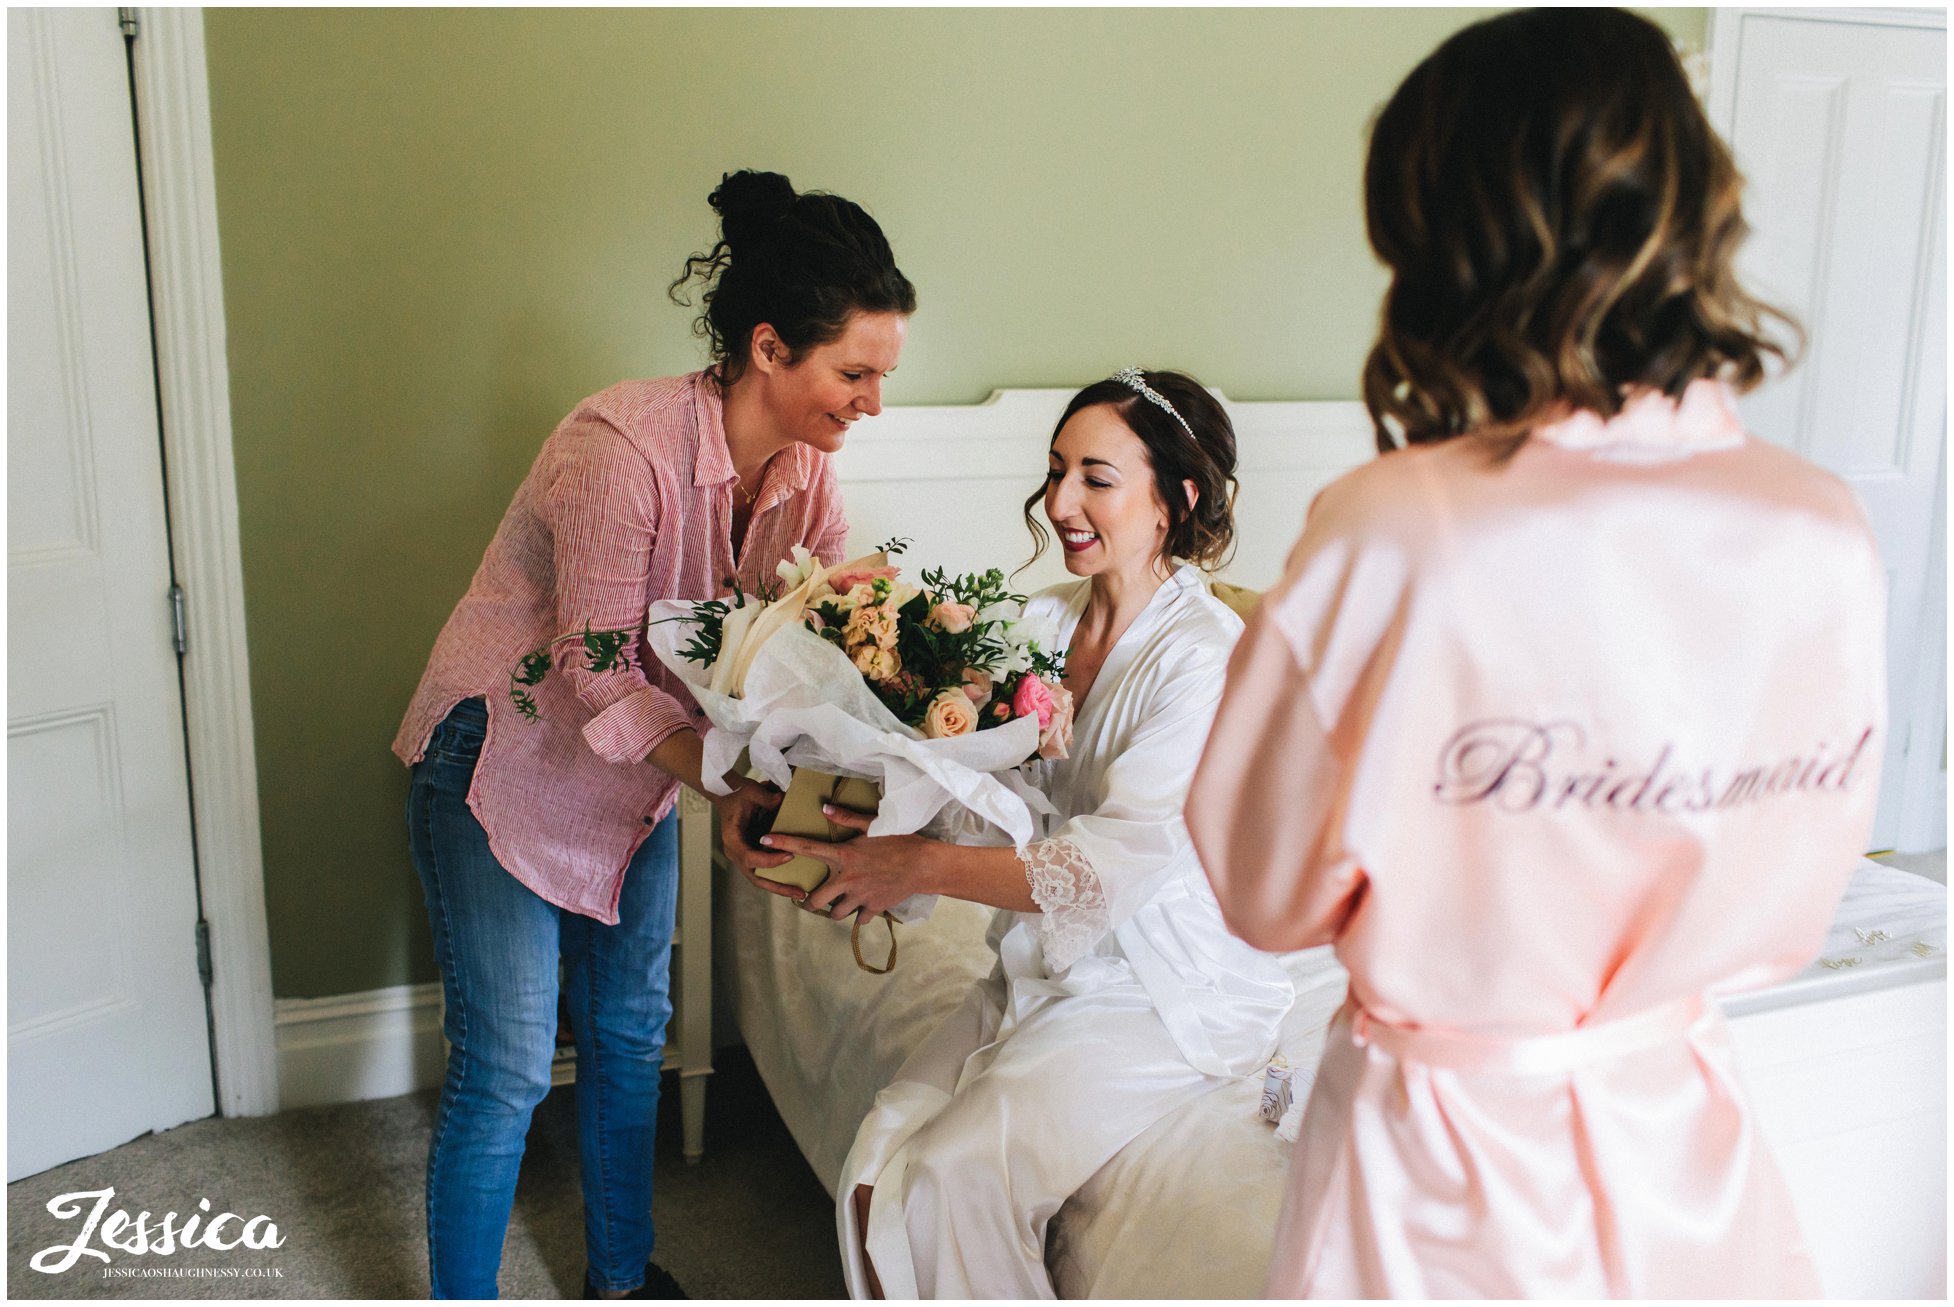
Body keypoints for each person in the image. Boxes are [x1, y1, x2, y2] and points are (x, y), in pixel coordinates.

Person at [1184, 9, 1886, 1298]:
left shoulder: (1397, 529)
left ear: (1442, 241)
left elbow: (1263, 888)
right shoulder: (1819, 525)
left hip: (1438, 1167)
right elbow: (1804, 866)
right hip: (1681, 1132)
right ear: (1687, 206)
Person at [391, 169, 914, 1299]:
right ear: (770, 348)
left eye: (883, 374)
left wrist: (846, 763)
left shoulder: (809, 476)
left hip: (635, 780)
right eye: (855, 372)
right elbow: (593, 665)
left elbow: (794, 660)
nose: (873, 400)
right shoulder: (617, 445)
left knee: (632, 1039)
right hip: (505, 760)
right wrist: (725, 789)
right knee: (509, 1069)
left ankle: (621, 1278)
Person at [759, 368, 1295, 1299]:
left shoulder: (1207, 657)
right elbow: (986, 798)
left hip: (1161, 989)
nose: (1060, 502)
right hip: (1044, 963)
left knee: (959, 1171)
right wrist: (851, 819)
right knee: (882, 1158)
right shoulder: (1042, 622)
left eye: (1096, 476)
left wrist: (917, 864)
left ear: (1179, 498)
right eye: (1055, 472)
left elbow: (1105, 868)